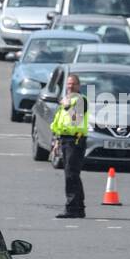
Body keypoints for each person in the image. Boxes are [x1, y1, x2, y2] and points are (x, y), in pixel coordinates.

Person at [51, 72, 89, 219]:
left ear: (79, 86)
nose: (70, 86)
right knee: (72, 174)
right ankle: (78, 208)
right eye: (68, 83)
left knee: (71, 175)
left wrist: (67, 107)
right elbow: (60, 123)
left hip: (76, 141)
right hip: (65, 140)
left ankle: (72, 207)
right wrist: (56, 141)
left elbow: (76, 120)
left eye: (73, 83)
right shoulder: (66, 100)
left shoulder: (81, 100)